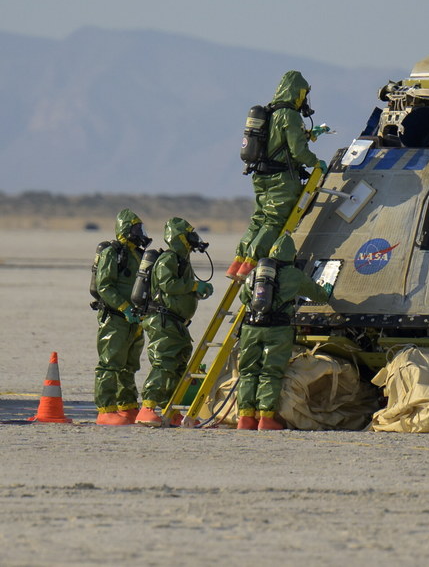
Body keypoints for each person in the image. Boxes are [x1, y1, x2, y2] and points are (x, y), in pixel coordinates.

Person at [227, 70, 328, 280]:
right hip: (282, 180)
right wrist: (317, 164)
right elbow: (297, 151)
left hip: (261, 177)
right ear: (297, 93)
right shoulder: (290, 115)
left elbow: (279, 144)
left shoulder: (270, 113)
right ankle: (249, 265)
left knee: (259, 219)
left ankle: (237, 262)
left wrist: (310, 134)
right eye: (303, 94)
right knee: (274, 222)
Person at [236, 232, 330, 430]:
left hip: (250, 327)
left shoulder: (256, 272)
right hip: (277, 330)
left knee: (248, 371)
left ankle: (245, 418)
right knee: (270, 372)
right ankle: (266, 418)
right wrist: (326, 289)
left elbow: (244, 297)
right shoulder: (293, 275)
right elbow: (318, 295)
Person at [136, 217, 213, 427]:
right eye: (189, 234)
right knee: (165, 361)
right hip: (163, 320)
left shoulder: (181, 261)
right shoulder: (168, 259)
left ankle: (173, 409)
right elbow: (168, 284)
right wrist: (194, 286)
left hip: (177, 322)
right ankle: (147, 408)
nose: (193, 238)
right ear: (179, 237)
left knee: (179, 364)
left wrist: (196, 293)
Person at [93, 209, 151, 426]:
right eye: (136, 228)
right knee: (110, 363)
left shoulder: (137, 254)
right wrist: (125, 307)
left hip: (134, 321)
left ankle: (127, 407)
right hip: (116, 318)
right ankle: (106, 409)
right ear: (125, 230)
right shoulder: (113, 253)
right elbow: (104, 286)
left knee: (129, 365)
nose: (140, 233)